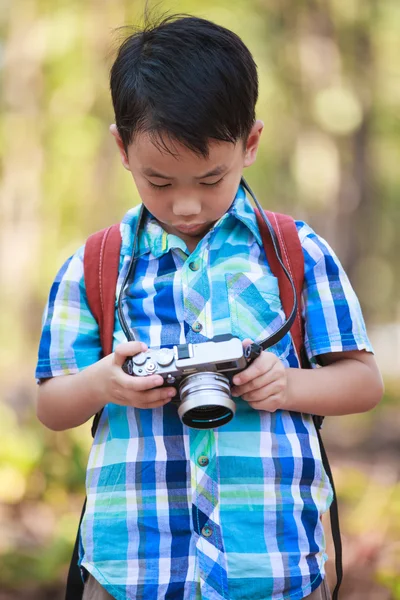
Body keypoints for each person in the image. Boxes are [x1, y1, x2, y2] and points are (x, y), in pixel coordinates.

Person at [35, 14, 383, 600]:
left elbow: (363, 382)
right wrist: (105, 383)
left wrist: (288, 386)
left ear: (250, 143)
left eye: (211, 178)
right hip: (134, 572)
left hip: (272, 568)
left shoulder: (294, 254)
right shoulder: (96, 265)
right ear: (122, 148)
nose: (188, 204)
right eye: (160, 182)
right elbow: (51, 403)